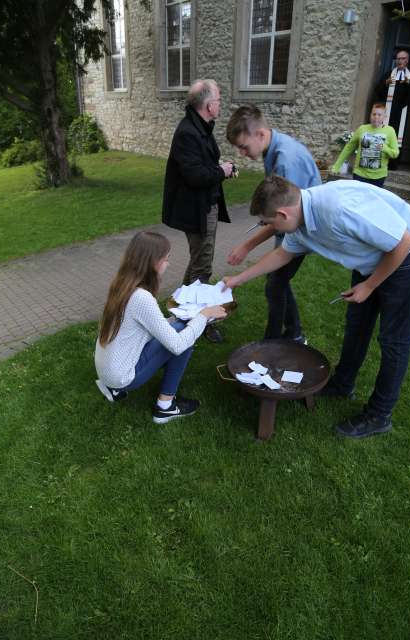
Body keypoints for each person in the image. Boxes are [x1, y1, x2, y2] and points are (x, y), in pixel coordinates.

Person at [223, 176, 410, 439]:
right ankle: (342, 384)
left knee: (393, 341)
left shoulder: (338, 209)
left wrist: (370, 286)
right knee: (357, 326)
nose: (270, 229)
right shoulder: (301, 221)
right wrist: (237, 280)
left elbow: (403, 241)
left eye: (270, 223)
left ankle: (379, 414)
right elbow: (282, 254)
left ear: (282, 213)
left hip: (407, 256)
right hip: (372, 259)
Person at [95, 231, 226, 424]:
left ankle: (117, 390)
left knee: (180, 326)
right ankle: (165, 407)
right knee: (185, 338)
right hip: (122, 376)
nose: (168, 263)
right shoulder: (141, 297)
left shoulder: (122, 284)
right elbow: (177, 345)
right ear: (152, 262)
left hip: (107, 370)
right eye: (166, 259)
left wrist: (175, 320)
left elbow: (142, 326)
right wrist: (204, 315)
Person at [226, 105, 321, 343]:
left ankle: (276, 341)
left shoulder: (286, 161)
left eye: (243, 147)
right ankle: (293, 333)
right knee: (277, 281)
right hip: (291, 227)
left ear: (260, 134)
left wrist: (246, 246)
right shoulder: (274, 150)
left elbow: (283, 217)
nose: (242, 153)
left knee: (275, 284)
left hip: (303, 230)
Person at [162, 79, 235, 344]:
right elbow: (194, 175)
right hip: (196, 210)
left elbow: (202, 167)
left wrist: (221, 169)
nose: (220, 103)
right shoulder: (188, 132)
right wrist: (222, 171)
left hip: (205, 205)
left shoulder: (200, 127)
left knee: (197, 263)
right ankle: (199, 322)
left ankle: (181, 312)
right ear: (207, 105)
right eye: (218, 99)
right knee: (202, 266)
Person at [331, 103, 399, 187]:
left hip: (378, 176)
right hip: (360, 174)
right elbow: (348, 148)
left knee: (372, 200)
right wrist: (337, 165)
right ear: (370, 115)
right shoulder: (362, 129)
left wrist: (384, 148)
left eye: (379, 115)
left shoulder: (390, 131)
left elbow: (395, 153)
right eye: (374, 114)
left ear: (385, 117)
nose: (376, 117)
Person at [377, 50, 410, 148]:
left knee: (396, 139)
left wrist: (408, 83)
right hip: (386, 113)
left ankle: (393, 162)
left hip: (401, 114)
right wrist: (385, 83)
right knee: (383, 137)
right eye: (398, 58)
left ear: (407, 60)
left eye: (403, 58)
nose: (400, 60)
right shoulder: (388, 74)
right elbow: (377, 91)